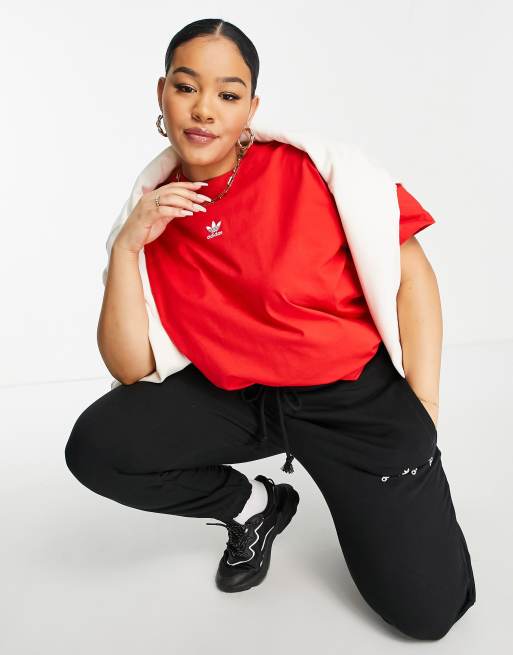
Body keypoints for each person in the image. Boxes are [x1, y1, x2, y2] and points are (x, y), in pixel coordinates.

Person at [64, 17, 476, 640]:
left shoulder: (312, 173)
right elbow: (130, 368)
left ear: (251, 108)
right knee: (100, 447)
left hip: (350, 400)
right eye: (186, 87)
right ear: (161, 94)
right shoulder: (153, 209)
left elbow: (413, 277)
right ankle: (256, 508)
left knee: (428, 615)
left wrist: (424, 403)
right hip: (242, 399)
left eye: (228, 94)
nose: (204, 110)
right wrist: (127, 247)